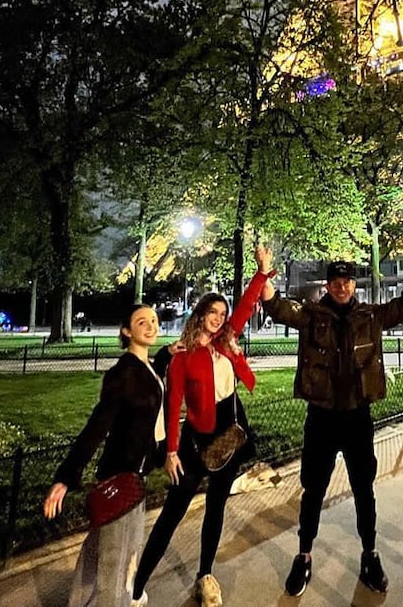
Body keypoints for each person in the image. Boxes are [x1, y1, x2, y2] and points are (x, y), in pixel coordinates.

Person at [258, 248, 403, 597]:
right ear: (328, 285)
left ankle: (370, 554)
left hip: (358, 414)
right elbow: (276, 307)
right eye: (336, 281)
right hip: (322, 415)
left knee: (364, 487)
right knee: (313, 488)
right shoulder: (312, 315)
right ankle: (304, 555)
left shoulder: (370, 316)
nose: (342, 287)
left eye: (347, 281)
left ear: (353, 284)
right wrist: (265, 272)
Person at [131, 250, 273, 607]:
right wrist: (172, 451)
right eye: (213, 313)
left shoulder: (228, 342)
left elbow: (245, 306)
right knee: (172, 515)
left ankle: (205, 575)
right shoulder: (182, 355)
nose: (219, 319)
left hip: (230, 439)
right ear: (200, 315)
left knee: (216, 508)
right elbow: (172, 403)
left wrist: (261, 273)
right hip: (197, 443)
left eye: (222, 315)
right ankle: (135, 589)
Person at [43, 305, 171, 607]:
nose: (151, 326)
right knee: (115, 566)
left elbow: (150, 392)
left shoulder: (146, 367)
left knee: (96, 555)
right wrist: (65, 477)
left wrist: (166, 356)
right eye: (142, 322)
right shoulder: (123, 374)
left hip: (132, 475)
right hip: (121, 478)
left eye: (153, 320)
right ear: (127, 332)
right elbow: (97, 426)